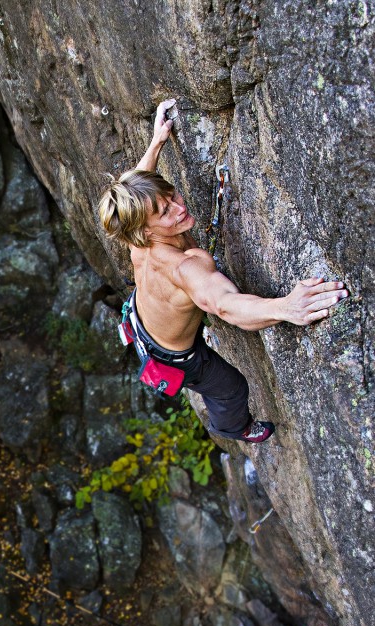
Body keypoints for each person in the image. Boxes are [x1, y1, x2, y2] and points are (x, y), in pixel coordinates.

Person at [98, 99, 349, 442]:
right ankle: (234, 428)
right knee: (231, 388)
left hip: (142, 320)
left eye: (172, 196)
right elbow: (224, 305)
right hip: (177, 356)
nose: (178, 209)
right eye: (165, 211)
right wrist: (286, 308)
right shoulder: (186, 267)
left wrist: (157, 141)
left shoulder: (137, 236)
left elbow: (139, 194)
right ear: (146, 230)